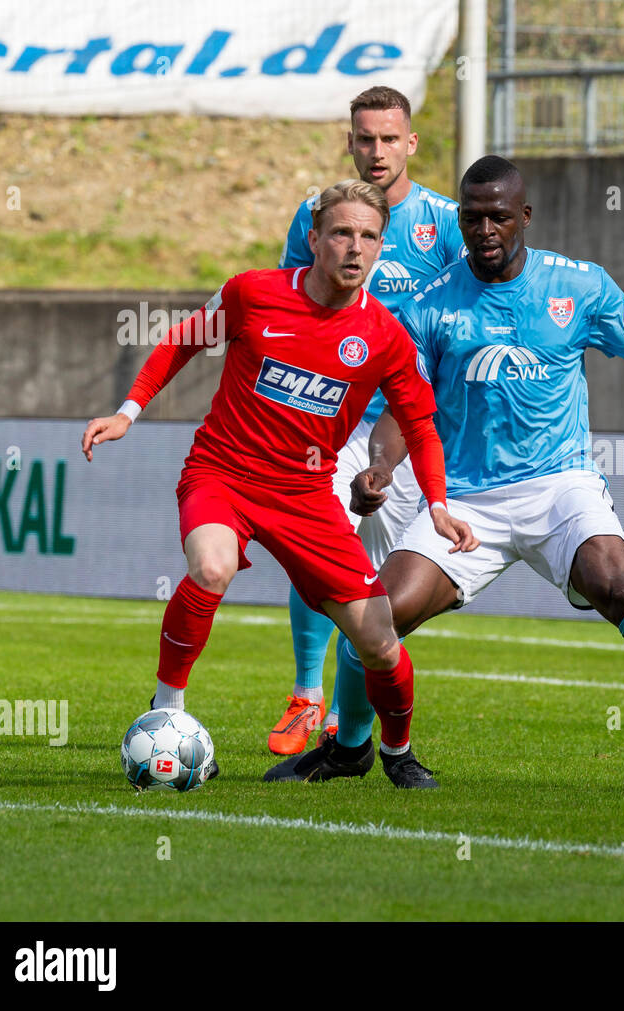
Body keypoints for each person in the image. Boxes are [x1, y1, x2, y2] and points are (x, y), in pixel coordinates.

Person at [265, 156, 624, 793]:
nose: (485, 230)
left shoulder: (579, 286)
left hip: (561, 486)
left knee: (618, 586)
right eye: (472, 218)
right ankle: (351, 747)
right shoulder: (429, 303)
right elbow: (404, 407)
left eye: (498, 216)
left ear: (523, 216)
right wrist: (380, 469)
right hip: (468, 501)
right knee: (374, 614)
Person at [81, 181, 476, 788]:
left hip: (305, 494)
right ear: (313, 239)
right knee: (210, 567)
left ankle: (395, 753)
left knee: (378, 641)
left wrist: (439, 504)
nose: (355, 247)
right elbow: (182, 340)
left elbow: (420, 425)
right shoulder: (254, 292)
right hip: (222, 472)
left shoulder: (385, 337)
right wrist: (128, 411)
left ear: (380, 247)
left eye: (369, 236)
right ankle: (168, 712)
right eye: (342, 233)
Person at [270, 85, 464, 756]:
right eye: (364, 138)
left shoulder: (447, 224)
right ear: (349, 141)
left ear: (410, 142)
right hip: (328, 418)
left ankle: (354, 735)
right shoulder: (317, 214)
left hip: (405, 431)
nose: (375, 150)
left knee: (374, 590)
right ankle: (305, 694)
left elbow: (464, 326)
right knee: (314, 541)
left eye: (389, 138)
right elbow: (288, 303)